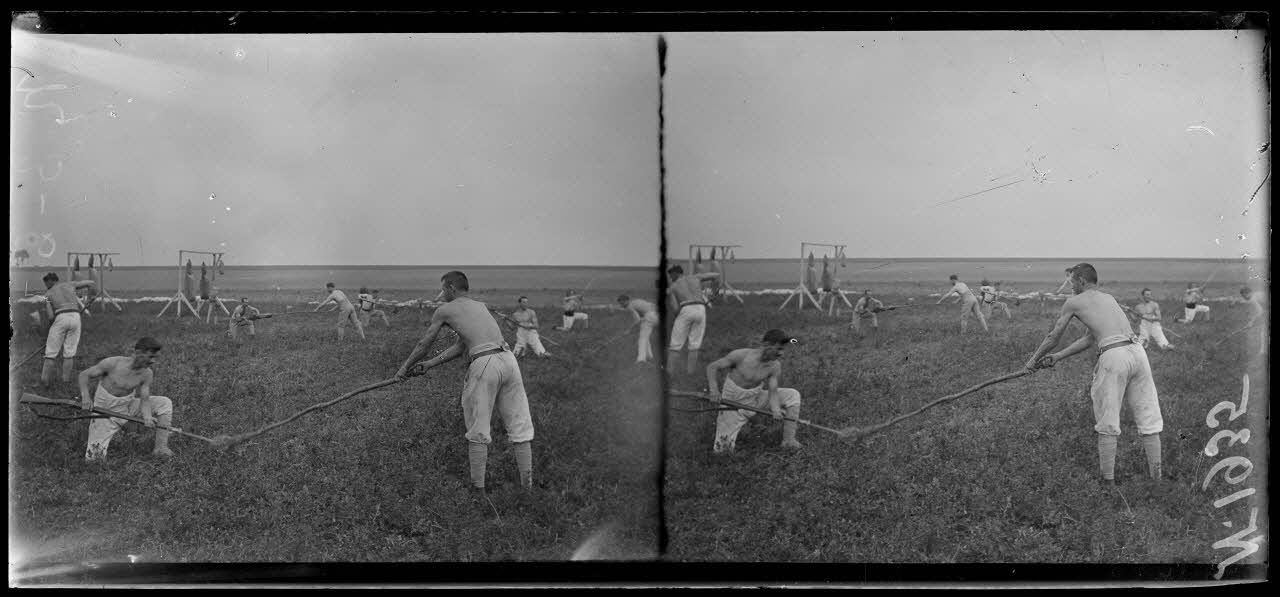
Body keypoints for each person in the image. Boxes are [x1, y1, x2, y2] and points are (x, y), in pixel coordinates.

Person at [395, 271, 534, 493]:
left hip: (485, 363)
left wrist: (403, 369)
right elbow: (462, 346)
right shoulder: (480, 306)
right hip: (509, 360)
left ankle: (478, 493)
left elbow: (424, 344)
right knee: (520, 426)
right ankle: (528, 490)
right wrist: (430, 364)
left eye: (443, 288)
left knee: (478, 429)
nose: (442, 293)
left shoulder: (444, 310)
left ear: (451, 287)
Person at [1024, 263, 1163, 485]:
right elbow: (1090, 338)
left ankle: (1108, 485)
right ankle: (1157, 481)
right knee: (1149, 418)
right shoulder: (1108, 298)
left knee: (1108, 421)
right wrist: (1058, 356)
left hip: (1114, 357)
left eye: (1071, 282)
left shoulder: (1073, 302)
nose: (1070, 287)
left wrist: (1031, 362)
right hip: (1138, 353)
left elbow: (1053, 337)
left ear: (1081, 281)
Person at [705, 329, 804, 453]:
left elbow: (773, 390)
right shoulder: (740, 355)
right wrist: (714, 391)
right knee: (722, 450)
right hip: (732, 405)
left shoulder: (775, 366)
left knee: (792, 395)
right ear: (767, 344)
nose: (781, 353)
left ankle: (788, 441)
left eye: (783, 350)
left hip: (756, 399)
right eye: (779, 349)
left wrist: (775, 409)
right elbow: (712, 367)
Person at [78, 337, 175, 460]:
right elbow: (84, 375)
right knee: (94, 458)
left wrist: (147, 417)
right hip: (104, 413)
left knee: (164, 403)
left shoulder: (147, 373)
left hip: (127, 406)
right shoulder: (112, 363)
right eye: (151, 357)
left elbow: (145, 399)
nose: (153, 361)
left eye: (155, 357)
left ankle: (160, 448)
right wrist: (86, 398)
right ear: (138, 352)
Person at [39, 272, 96, 387]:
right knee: (69, 353)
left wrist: (51, 328)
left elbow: (50, 316)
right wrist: (89, 299)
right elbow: (91, 283)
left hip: (61, 316)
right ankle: (65, 382)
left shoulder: (47, 294)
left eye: (46, 284)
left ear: (51, 281)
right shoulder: (70, 284)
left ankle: (44, 382)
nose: (46, 286)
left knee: (50, 353)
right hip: (75, 316)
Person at [666, 264, 720, 376]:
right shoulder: (695, 277)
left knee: (675, 345)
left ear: (676, 274)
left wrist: (677, 319)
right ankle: (690, 374)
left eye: (671, 276)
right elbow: (716, 275)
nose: (670, 278)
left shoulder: (672, 287)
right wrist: (714, 293)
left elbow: (675, 309)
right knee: (694, 345)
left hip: (686, 308)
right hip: (701, 309)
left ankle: (669, 373)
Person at [617, 294, 659, 364]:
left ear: (627, 301)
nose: (621, 305)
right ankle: (649, 356)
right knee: (645, 336)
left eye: (622, 302)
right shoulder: (635, 301)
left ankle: (641, 359)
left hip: (651, 315)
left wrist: (629, 330)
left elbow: (637, 320)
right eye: (620, 303)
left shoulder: (630, 306)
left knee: (642, 338)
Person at [1240, 287, 1267, 356]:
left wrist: (1251, 322)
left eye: (1244, 295)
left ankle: (1262, 351)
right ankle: (1262, 350)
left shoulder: (1253, 298)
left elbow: (1260, 312)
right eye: (1242, 296)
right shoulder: (1256, 295)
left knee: (1263, 332)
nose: (1244, 298)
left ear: (1248, 293)